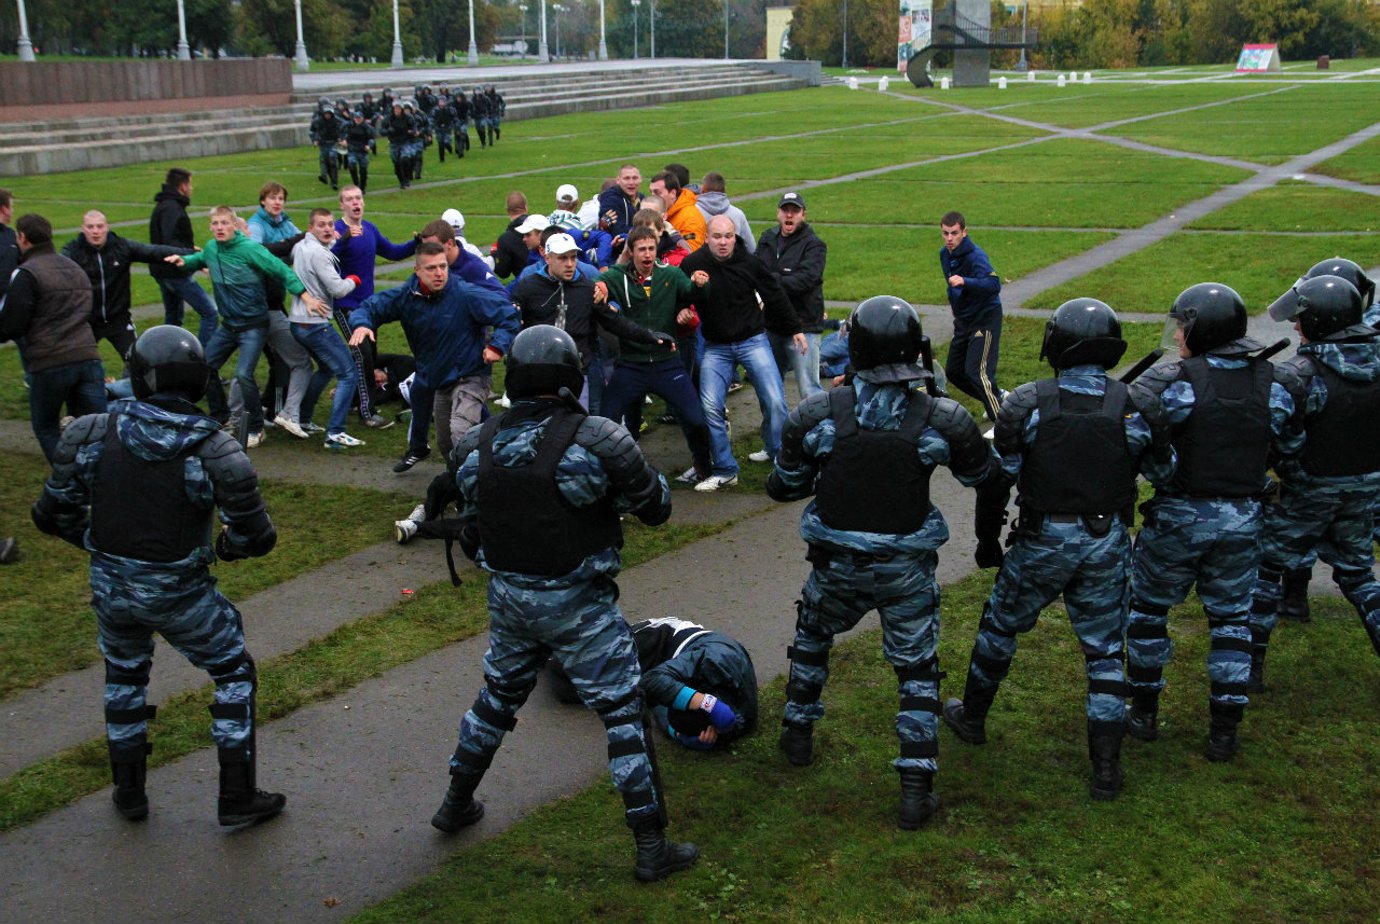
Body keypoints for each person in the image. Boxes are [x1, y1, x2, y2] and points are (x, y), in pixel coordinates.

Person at [430, 325, 698, 883]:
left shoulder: (474, 445)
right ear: (572, 375)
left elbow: (471, 518)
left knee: (495, 701)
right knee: (624, 715)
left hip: (510, 602)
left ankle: (455, 803)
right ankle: (651, 846)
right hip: (581, 607)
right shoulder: (600, 438)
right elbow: (657, 507)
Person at [31, 325, 284, 827]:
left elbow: (50, 515)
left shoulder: (89, 432)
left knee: (124, 675)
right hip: (181, 591)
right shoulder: (216, 448)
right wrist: (223, 551)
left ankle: (129, 793)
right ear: (195, 379)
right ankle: (236, 796)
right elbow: (257, 537)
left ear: (139, 376)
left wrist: (96, 543)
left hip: (111, 588)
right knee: (233, 673)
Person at [768, 295, 1003, 829]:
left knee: (812, 639)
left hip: (835, 566)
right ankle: (915, 790)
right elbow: (983, 475)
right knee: (917, 671)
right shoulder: (940, 419)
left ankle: (797, 734)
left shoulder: (818, 414)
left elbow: (783, 486)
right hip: (906, 573)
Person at [943, 298, 1173, 801]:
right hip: (1106, 541)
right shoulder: (1136, 405)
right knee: (1106, 652)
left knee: (1000, 626)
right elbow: (1164, 474)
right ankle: (1106, 769)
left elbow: (996, 480)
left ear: (1056, 344)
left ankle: (973, 717)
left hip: (1042, 540)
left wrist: (987, 541)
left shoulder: (1027, 403)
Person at [1123, 283, 1296, 761]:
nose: (1177, 335)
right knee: (1232, 622)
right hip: (1244, 521)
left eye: (1182, 326)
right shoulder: (1274, 385)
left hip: (1178, 519)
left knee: (1148, 612)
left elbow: (1134, 439)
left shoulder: (1177, 383)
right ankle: (1224, 731)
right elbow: (1290, 449)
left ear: (1201, 328)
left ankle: (1143, 711)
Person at [1249, 275, 1380, 689]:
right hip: (1363, 492)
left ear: (1320, 322)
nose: (1294, 326)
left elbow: (1264, 437)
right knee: (1359, 576)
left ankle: (1245, 671)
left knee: (1265, 571)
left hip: (1304, 493)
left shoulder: (1300, 375)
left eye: (1300, 318)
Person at [347, 243, 520, 473]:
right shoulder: (406, 297)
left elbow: (509, 314)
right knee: (446, 443)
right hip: (438, 380)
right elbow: (370, 307)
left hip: (471, 376)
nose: (439, 273)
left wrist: (497, 346)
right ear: (417, 270)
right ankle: (459, 481)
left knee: (461, 432)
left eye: (443, 266)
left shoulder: (465, 294)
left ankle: (483, 485)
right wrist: (361, 323)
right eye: (431, 268)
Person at [164, 206, 327, 448]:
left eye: (224, 223)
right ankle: (222, 418)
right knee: (206, 369)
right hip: (229, 326)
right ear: (210, 227)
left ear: (233, 225)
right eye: (215, 224)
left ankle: (256, 427)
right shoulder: (211, 248)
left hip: (254, 325)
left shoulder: (250, 249)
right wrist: (184, 261)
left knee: (243, 374)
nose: (219, 228)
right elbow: (200, 259)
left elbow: (281, 270)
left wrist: (306, 297)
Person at [680, 215, 803, 491]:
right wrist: (683, 307)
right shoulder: (692, 264)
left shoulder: (750, 262)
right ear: (707, 238)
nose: (723, 242)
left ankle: (778, 454)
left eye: (728, 236)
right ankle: (725, 469)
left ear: (735, 237)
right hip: (716, 346)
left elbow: (774, 295)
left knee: (774, 400)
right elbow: (682, 295)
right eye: (717, 237)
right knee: (709, 406)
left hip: (752, 340)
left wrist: (795, 328)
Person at [595, 226, 715, 482]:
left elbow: (691, 292)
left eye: (651, 248)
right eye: (642, 250)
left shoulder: (670, 274)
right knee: (606, 419)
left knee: (695, 419)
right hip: (631, 365)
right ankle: (604, 475)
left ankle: (704, 467)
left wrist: (699, 284)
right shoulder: (618, 276)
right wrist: (601, 289)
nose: (647, 255)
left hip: (667, 364)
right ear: (632, 251)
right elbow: (601, 283)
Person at [513, 230, 670, 414]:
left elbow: (615, 322)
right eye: (563, 258)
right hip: (539, 370)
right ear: (547, 258)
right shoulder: (528, 287)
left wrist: (650, 337)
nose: (570, 264)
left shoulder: (588, 289)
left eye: (573, 257)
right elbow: (509, 317)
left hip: (578, 370)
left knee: (580, 419)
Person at [547, 616, 758, 751]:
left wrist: (684, 737)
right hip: (665, 642)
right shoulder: (715, 660)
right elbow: (653, 681)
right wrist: (708, 704)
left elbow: (659, 705)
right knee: (567, 668)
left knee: (576, 691)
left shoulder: (733, 722)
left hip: (663, 675)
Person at [0, 213, 107, 461]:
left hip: (50, 362)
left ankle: (69, 483)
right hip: (88, 357)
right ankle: (101, 481)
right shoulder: (74, 267)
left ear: (22, 238)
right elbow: (87, 309)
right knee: (97, 429)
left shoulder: (26, 273)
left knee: (47, 427)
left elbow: (13, 324)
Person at [62, 209, 191, 369]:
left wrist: (191, 255)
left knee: (137, 363)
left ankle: (135, 391)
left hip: (118, 320)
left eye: (99, 226)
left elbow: (153, 251)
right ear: (83, 229)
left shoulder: (121, 247)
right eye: (90, 227)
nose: (95, 231)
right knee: (76, 366)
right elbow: (53, 267)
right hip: (87, 322)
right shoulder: (73, 251)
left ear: (107, 227)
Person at [333, 185, 416, 430]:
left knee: (369, 356)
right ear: (342, 205)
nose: (355, 203)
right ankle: (366, 411)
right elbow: (326, 258)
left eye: (358, 198)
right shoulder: (337, 231)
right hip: (345, 304)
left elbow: (392, 252)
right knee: (363, 355)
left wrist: (416, 243)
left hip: (369, 307)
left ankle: (354, 399)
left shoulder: (369, 229)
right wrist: (345, 239)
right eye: (349, 199)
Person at [290, 208, 366, 449]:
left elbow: (330, 242)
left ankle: (303, 418)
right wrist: (353, 280)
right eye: (320, 225)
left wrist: (340, 238)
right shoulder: (319, 255)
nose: (326, 229)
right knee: (349, 372)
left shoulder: (300, 247)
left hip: (297, 321)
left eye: (330, 224)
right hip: (315, 325)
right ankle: (335, 432)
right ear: (311, 227)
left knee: (324, 369)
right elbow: (337, 289)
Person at [245, 182, 314, 439]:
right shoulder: (256, 226)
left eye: (281, 198)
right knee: (274, 360)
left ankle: (262, 408)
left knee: (265, 361)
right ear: (262, 200)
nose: (277, 202)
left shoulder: (284, 222)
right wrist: (291, 243)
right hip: (259, 304)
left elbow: (304, 242)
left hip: (274, 301)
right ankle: (270, 410)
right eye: (272, 198)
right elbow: (257, 253)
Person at [758, 191, 827, 401]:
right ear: (778, 213)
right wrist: (778, 279)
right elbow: (755, 270)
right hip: (772, 325)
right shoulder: (767, 238)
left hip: (804, 326)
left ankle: (817, 432)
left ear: (803, 215)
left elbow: (806, 280)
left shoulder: (814, 245)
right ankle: (774, 432)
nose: (789, 215)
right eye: (785, 210)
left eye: (794, 211)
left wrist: (771, 282)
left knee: (809, 390)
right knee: (768, 387)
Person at [940, 211, 1004, 422]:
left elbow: (994, 285)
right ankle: (998, 398)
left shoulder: (976, 256)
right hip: (964, 321)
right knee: (954, 371)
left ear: (964, 233)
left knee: (977, 372)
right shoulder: (944, 255)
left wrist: (966, 281)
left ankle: (1003, 421)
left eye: (954, 233)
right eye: (945, 233)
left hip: (984, 319)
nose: (950, 239)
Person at [149, 168, 218, 344]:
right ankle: (202, 359)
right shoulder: (172, 208)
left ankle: (168, 357)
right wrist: (194, 256)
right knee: (210, 313)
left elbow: (170, 239)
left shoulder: (166, 205)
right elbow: (170, 243)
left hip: (163, 271)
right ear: (183, 185)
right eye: (190, 184)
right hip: (175, 272)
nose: (191, 189)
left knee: (173, 320)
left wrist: (190, 248)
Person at [695, 173, 753, 254]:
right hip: (732, 264)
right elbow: (751, 248)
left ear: (702, 189)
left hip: (699, 263)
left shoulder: (692, 212)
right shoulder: (738, 214)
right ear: (724, 189)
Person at [649, 172, 706, 252]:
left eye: (657, 192)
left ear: (673, 193)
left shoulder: (690, 218)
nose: (652, 197)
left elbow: (690, 255)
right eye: (651, 192)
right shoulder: (667, 211)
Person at [492, 191, 532, 280]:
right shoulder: (540, 227)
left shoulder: (505, 239)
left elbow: (503, 272)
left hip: (523, 285)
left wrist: (494, 255)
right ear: (526, 207)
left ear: (507, 211)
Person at [599, 165, 644, 239]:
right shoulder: (610, 200)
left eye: (635, 178)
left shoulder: (642, 198)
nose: (631, 182)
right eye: (626, 178)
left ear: (640, 179)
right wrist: (648, 232)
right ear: (618, 180)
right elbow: (618, 231)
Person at [309, 102, 342, 190]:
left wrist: (341, 138)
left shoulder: (337, 121)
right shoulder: (318, 121)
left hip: (333, 143)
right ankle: (325, 176)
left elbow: (344, 128)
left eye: (329, 114)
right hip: (323, 143)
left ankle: (334, 182)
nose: (327, 115)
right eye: (326, 114)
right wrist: (314, 140)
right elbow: (312, 131)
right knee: (324, 161)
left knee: (332, 160)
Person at [343, 110, 376, 193]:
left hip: (363, 151)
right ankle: (355, 183)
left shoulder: (367, 128)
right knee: (352, 165)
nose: (357, 120)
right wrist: (343, 141)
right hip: (352, 150)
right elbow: (343, 134)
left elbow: (371, 138)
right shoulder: (349, 126)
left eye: (359, 118)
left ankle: (362, 187)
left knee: (363, 169)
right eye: (356, 118)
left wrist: (369, 145)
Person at [0, 189, 19, 303]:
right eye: (11, 207)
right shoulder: (10, 237)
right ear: (4, 209)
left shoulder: (11, 234)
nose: (12, 210)